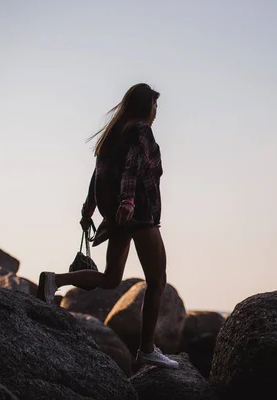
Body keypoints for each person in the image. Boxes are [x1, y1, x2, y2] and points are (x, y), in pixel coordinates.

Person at [36, 83, 178, 369]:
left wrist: (90, 204)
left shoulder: (113, 133)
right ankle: (147, 349)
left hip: (118, 215)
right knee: (157, 281)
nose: (156, 113)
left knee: (112, 278)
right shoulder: (140, 130)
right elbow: (132, 167)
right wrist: (128, 200)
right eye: (155, 106)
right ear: (144, 106)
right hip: (138, 213)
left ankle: (54, 281)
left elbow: (99, 172)